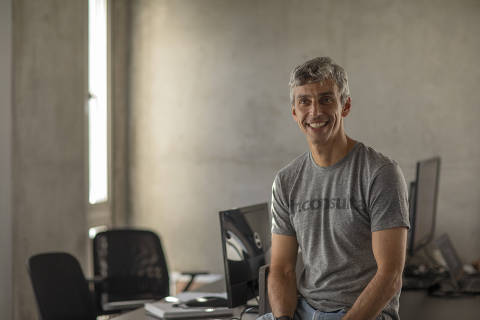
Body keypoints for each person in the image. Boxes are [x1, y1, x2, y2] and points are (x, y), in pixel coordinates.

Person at [263, 57, 410, 320]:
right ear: (294, 113)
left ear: (346, 105)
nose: (315, 111)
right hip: (305, 311)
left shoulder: (380, 173)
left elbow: (390, 275)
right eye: (304, 101)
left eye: (326, 99)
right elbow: (282, 269)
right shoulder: (286, 181)